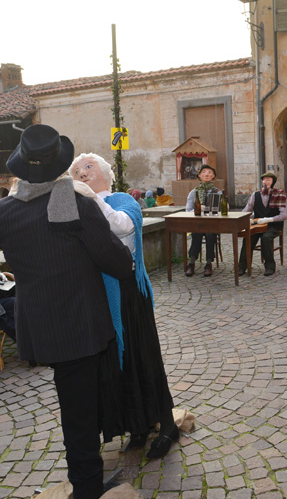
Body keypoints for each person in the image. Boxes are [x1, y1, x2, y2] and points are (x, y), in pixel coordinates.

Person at [0, 124, 133, 499]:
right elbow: (115, 262)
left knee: (77, 402)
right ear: (60, 168)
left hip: (40, 324)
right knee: (79, 410)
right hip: (80, 323)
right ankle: (86, 486)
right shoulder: (73, 203)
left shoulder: (1, 211)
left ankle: (88, 474)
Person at [70, 152, 178, 459]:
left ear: (105, 171)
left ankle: (167, 424)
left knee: (144, 358)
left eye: (88, 167)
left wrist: (91, 199)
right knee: (120, 364)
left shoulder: (121, 200)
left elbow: (121, 227)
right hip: (101, 295)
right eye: (77, 171)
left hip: (130, 292)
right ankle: (139, 425)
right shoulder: (82, 208)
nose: (82, 172)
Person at [237, 172, 287, 277]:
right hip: (257, 225)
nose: (265, 182)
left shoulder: (280, 194)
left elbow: (284, 215)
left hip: (273, 225)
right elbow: (247, 210)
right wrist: (243, 219)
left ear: (273, 182)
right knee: (248, 237)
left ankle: (270, 266)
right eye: (264, 180)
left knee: (266, 238)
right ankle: (242, 266)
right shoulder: (255, 195)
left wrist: (269, 219)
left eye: (268, 180)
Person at [184, 165, 221, 277]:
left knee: (210, 234)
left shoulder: (217, 192)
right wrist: (198, 210)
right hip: (197, 223)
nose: (206, 174)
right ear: (199, 176)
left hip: (212, 223)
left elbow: (220, 210)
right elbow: (188, 210)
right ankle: (191, 263)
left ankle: (209, 263)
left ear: (213, 176)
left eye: (210, 172)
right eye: (204, 172)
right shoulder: (193, 192)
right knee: (196, 234)